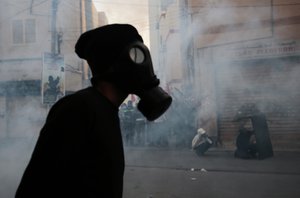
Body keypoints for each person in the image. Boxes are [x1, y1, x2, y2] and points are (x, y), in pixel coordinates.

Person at [15, 24, 172, 198]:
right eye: (136, 56)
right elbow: (35, 187)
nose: (143, 67)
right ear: (115, 65)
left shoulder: (107, 110)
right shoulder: (77, 109)